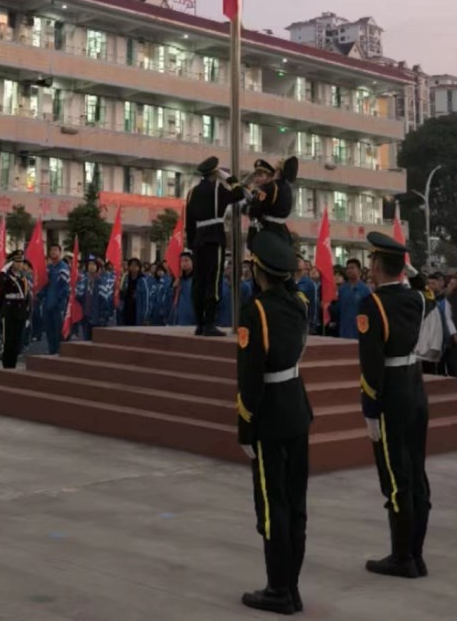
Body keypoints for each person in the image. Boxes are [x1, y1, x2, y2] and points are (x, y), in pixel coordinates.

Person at [236, 231, 313, 616]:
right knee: (296, 504)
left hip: (269, 415)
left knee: (272, 506)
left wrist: (245, 425)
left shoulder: (256, 311)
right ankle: (291, 587)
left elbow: (250, 376)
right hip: (297, 407)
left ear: (258, 271)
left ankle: (278, 589)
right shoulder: (299, 304)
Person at [358, 232, 430, 580]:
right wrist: (409, 270)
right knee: (416, 472)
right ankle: (415, 553)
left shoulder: (372, 304)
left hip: (390, 392)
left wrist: (370, 409)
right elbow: (424, 288)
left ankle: (402, 557)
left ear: (375, 266)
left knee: (395, 477)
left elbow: (371, 364)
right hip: (415, 386)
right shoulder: (415, 298)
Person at [185, 155, 249, 337]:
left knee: (199, 281)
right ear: (215, 173)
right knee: (213, 282)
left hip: (198, 240)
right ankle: (210, 324)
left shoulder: (192, 192)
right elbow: (239, 193)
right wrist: (229, 178)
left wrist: (192, 243)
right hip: (214, 238)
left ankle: (199, 324)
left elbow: (189, 221)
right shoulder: (217, 190)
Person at [245, 156, 298, 249]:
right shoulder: (287, 188)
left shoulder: (272, 187)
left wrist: (245, 207)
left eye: (275, 170)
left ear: (278, 172)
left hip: (268, 229)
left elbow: (257, 209)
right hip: (282, 230)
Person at [0, 250, 32, 369]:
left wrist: (27, 314)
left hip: (20, 312)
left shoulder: (23, 278)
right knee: (8, 340)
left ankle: (13, 364)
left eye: (21, 261)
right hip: (9, 311)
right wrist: (4, 269)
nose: (20, 264)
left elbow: (27, 297)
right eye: (17, 261)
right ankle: (6, 365)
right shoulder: (7, 276)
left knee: (17, 340)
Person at [38, 244, 71, 354]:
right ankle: (52, 351)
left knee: (59, 330)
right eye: (51, 250)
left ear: (60, 252)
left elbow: (65, 288)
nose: (53, 252)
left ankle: (60, 352)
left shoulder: (63, 268)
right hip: (48, 304)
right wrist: (40, 295)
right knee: (49, 330)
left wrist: (58, 300)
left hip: (59, 305)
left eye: (55, 250)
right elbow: (44, 284)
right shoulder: (49, 268)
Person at [336, 259, 371, 340]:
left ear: (359, 271)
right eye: (348, 268)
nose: (349, 270)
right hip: (344, 331)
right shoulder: (342, 289)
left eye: (352, 268)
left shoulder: (365, 290)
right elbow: (338, 309)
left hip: (359, 332)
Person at [119, 258, 152, 327]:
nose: (133, 267)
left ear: (139, 267)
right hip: (127, 309)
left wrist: (145, 314)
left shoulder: (142, 280)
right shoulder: (126, 278)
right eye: (131, 265)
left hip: (137, 309)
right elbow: (122, 293)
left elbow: (146, 297)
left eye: (135, 265)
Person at [172, 250, 197, 328]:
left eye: (186, 260)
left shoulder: (197, 279)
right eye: (182, 261)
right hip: (180, 318)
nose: (184, 263)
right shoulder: (178, 279)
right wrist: (174, 287)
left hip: (194, 317)